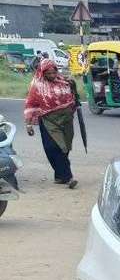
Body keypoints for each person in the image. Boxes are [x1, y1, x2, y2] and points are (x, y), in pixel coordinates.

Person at [23, 58, 79, 189]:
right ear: (42, 73)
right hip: (49, 120)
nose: (52, 76)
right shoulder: (37, 85)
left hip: (66, 119)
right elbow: (30, 104)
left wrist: (73, 86)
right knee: (54, 148)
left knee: (65, 148)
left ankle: (59, 176)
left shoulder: (65, 82)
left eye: (54, 73)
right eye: (48, 74)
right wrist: (28, 124)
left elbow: (74, 98)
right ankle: (68, 177)